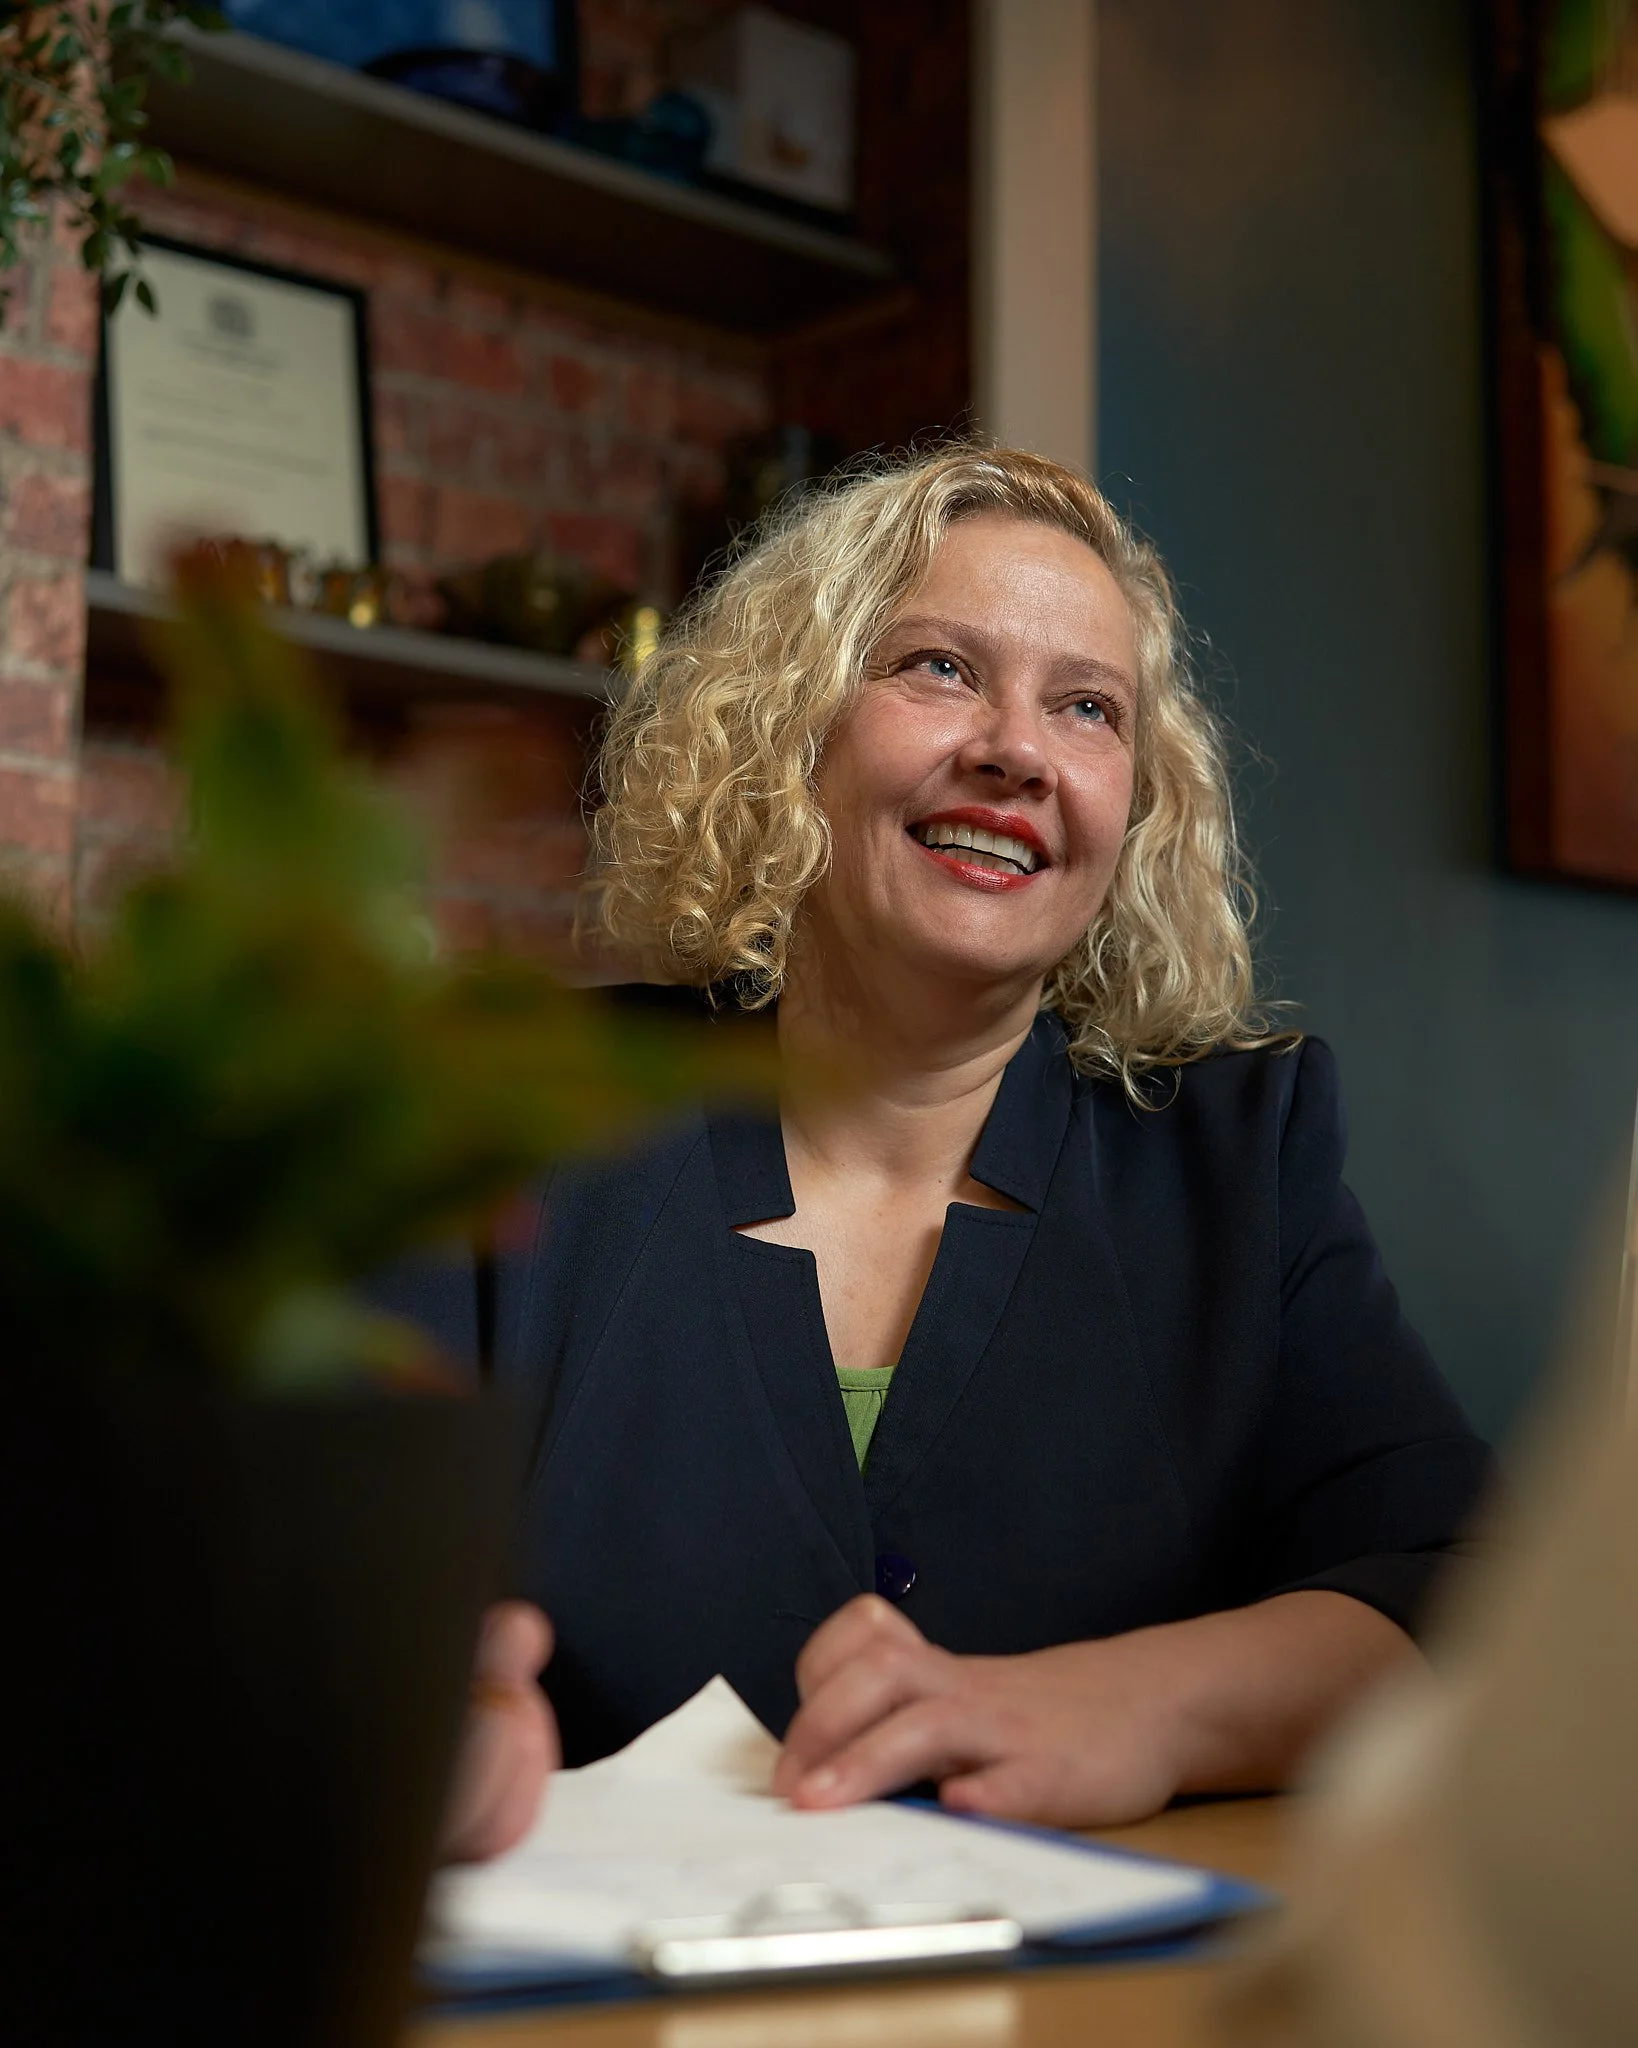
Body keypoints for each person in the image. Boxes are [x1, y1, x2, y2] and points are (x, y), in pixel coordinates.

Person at [434, 445, 1493, 1863]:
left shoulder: (1243, 1158)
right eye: (937, 668)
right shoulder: (515, 1107)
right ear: (787, 729)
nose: (1016, 749)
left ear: (1134, 806)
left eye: (1085, 707)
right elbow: (279, 1546)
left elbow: (1460, 1592)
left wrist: (1126, 1708)